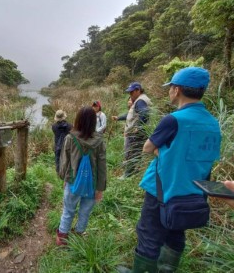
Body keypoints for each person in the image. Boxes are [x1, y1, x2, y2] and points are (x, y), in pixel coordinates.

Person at [118, 67, 221, 273]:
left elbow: (148, 147)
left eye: (170, 88)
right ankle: (167, 269)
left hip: (163, 189)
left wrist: (163, 152)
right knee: (176, 231)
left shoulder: (173, 120)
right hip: (193, 192)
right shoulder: (213, 123)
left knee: (148, 233)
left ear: (177, 90)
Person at [56, 106, 107, 246]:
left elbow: (64, 162)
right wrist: (100, 188)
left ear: (77, 120)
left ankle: (62, 239)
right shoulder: (99, 141)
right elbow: (102, 166)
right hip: (92, 184)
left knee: (68, 210)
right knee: (85, 212)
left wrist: (65, 179)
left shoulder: (70, 138)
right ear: (93, 121)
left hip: (73, 182)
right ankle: (78, 235)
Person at [112, 82, 152, 179]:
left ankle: (127, 174)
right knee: (135, 154)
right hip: (138, 133)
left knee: (131, 153)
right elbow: (131, 115)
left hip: (135, 134)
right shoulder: (140, 100)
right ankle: (134, 172)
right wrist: (118, 118)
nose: (130, 95)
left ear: (138, 90)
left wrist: (138, 127)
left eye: (131, 92)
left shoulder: (140, 101)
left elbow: (145, 113)